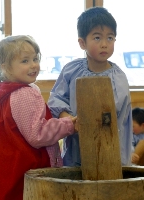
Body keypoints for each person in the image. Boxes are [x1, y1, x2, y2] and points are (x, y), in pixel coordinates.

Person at [0, 35, 77, 200]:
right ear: (5, 67)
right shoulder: (24, 94)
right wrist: (69, 124)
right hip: (29, 169)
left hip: (12, 167)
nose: (33, 65)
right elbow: (38, 134)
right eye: (25, 61)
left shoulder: (3, 93)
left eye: (35, 58)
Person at [47, 7, 133, 167]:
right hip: (76, 146)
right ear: (82, 43)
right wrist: (69, 120)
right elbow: (56, 99)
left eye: (110, 38)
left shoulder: (119, 77)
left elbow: (121, 117)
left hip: (110, 147)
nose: (104, 44)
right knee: (77, 185)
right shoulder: (71, 71)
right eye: (97, 38)